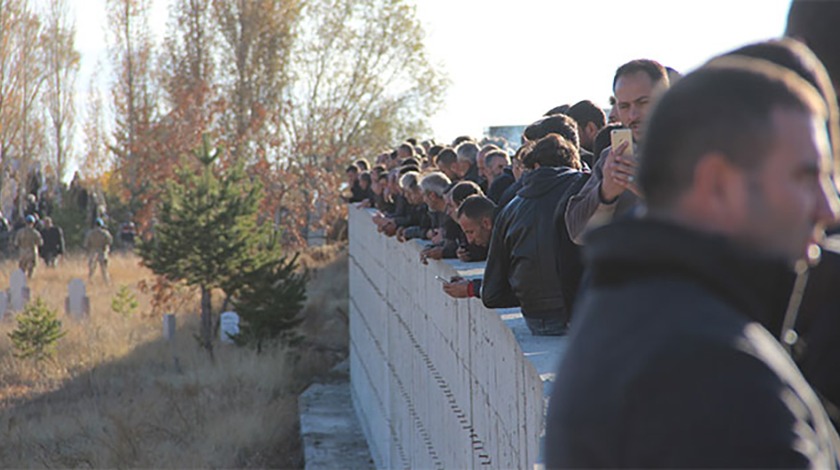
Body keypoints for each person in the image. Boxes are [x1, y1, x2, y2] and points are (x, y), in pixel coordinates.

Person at [545, 60, 840, 468]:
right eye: (806, 177)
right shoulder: (712, 365)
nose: (830, 208)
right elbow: (577, 229)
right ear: (715, 180)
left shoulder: (653, 310)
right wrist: (607, 192)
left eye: (643, 103)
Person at [482, 134, 586, 336]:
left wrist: (528, 293)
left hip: (536, 318)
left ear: (534, 166)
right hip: (581, 314)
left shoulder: (510, 208)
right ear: (574, 163)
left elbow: (491, 294)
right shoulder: (585, 189)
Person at [565, 59, 670, 244]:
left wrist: (651, 191)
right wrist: (605, 193)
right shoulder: (613, 157)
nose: (633, 115)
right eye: (624, 106)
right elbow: (578, 233)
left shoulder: (696, 149)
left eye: (643, 102)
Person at [442, 195, 496, 299]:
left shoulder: (510, 237)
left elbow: (512, 286)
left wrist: (471, 289)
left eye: (471, 232)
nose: (469, 240)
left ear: (486, 223)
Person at [85, 218, 113, 283]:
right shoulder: (105, 233)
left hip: (93, 251)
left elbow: (86, 243)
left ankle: (90, 281)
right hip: (102, 252)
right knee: (104, 269)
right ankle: (106, 282)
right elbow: (110, 241)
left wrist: (88, 250)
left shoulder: (90, 233)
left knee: (92, 269)